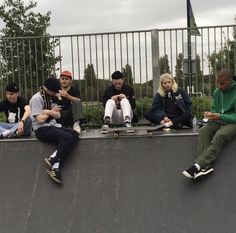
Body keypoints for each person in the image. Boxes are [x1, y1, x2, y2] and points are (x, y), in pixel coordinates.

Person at [183, 69, 236, 180]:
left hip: (233, 122)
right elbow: (215, 110)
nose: (219, 86)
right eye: (218, 83)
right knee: (204, 130)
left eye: (222, 83)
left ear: (230, 81)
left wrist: (220, 116)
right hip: (219, 121)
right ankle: (204, 167)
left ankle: (198, 165)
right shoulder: (217, 92)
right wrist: (210, 114)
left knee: (220, 135)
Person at [29, 77, 79, 184]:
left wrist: (47, 111)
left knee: (74, 134)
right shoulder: (36, 99)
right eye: (54, 92)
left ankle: (54, 163)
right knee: (67, 138)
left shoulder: (51, 98)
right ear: (48, 89)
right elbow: (40, 120)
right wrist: (51, 112)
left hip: (53, 125)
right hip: (41, 129)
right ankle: (53, 160)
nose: (55, 94)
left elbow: (58, 115)